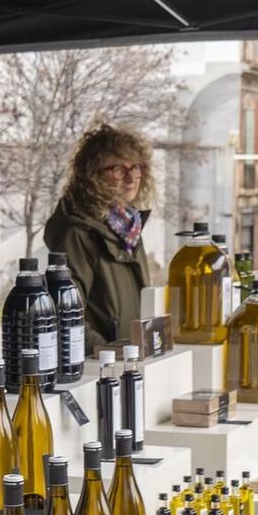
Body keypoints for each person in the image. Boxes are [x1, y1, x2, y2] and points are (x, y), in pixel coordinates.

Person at [42, 122, 155, 350]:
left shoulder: (130, 228)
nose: (131, 178)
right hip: (99, 369)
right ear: (92, 175)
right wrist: (104, 352)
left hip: (129, 363)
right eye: (118, 169)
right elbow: (65, 314)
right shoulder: (77, 232)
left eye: (136, 167)